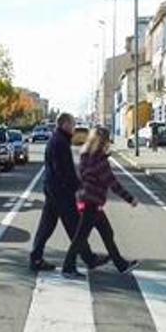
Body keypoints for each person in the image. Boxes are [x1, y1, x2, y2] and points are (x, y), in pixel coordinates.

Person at [30, 113, 109, 272]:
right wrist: (78, 187)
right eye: (72, 125)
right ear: (65, 124)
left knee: (46, 227)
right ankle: (84, 260)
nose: (74, 128)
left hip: (53, 189)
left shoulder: (57, 140)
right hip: (61, 191)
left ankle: (36, 258)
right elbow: (64, 170)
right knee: (75, 228)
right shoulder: (60, 142)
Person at [62, 126, 139, 279]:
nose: (108, 144)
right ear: (101, 142)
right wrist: (130, 199)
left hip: (87, 200)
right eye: (106, 142)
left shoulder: (85, 155)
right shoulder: (98, 160)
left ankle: (121, 264)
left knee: (106, 233)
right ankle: (68, 267)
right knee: (80, 238)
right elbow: (113, 183)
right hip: (91, 203)